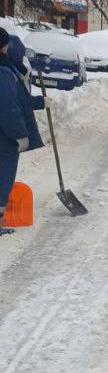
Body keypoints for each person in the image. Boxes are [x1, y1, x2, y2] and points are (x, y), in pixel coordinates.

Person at [0, 27, 44, 233]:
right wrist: (19, 135)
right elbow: (9, 108)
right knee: (3, 177)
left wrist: (41, 102)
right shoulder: (3, 72)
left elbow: (18, 101)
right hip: (4, 138)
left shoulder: (7, 69)